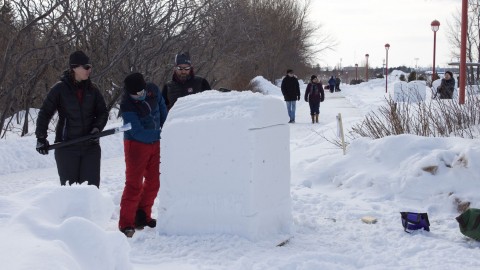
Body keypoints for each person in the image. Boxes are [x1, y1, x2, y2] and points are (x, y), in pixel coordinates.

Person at [35, 50, 108, 187]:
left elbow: (103, 112)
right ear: (74, 68)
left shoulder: (93, 90)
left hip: (90, 147)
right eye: (86, 67)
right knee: (70, 192)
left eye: (90, 66)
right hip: (66, 147)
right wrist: (41, 138)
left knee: (90, 191)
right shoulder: (59, 89)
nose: (89, 69)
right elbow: (45, 112)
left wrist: (97, 128)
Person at [118, 72, 168, 238]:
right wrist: (161, 134)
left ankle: (142, 215)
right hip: (136, 145)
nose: (140, 96)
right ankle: (126, 223)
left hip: (156, 142)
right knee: (134, 184)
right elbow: (138, 132)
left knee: (154, 181)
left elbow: (162, 108)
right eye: (136, 94)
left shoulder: (153, 90)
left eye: (142, 92)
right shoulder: (127, 105)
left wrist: (167, 127)